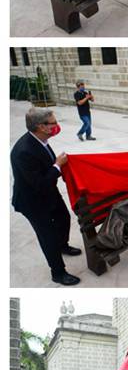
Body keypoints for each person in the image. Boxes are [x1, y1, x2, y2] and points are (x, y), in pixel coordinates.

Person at [11, 108, 81, 286]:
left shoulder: (41, 140)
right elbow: (39, 183)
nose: (57, 126)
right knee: (47, 235)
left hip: (48, 192)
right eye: (53, 123)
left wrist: (57, 165)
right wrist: (57, 166)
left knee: (64, 218)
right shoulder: (23, 151)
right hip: (32, 200)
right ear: (41, 127)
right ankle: (57, 272)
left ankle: (62, 245)